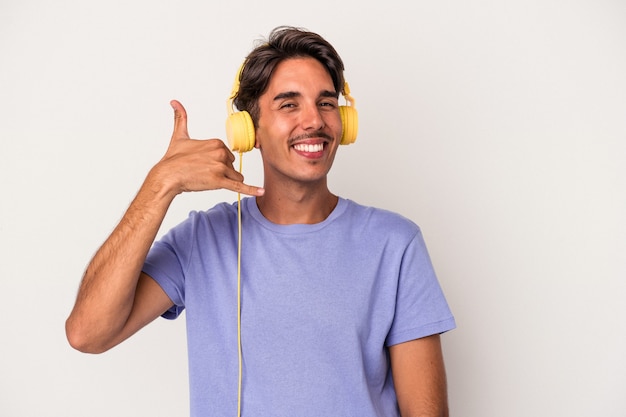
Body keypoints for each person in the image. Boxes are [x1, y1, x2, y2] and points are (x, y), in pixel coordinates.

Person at [66, 25, 456, 417]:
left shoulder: (395, 244)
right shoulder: (204, 239)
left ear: (344, 122)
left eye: (325, 103)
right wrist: (160, 185)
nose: (314, 121)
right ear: (249, 131)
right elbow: (87, 333)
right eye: (289, 104)